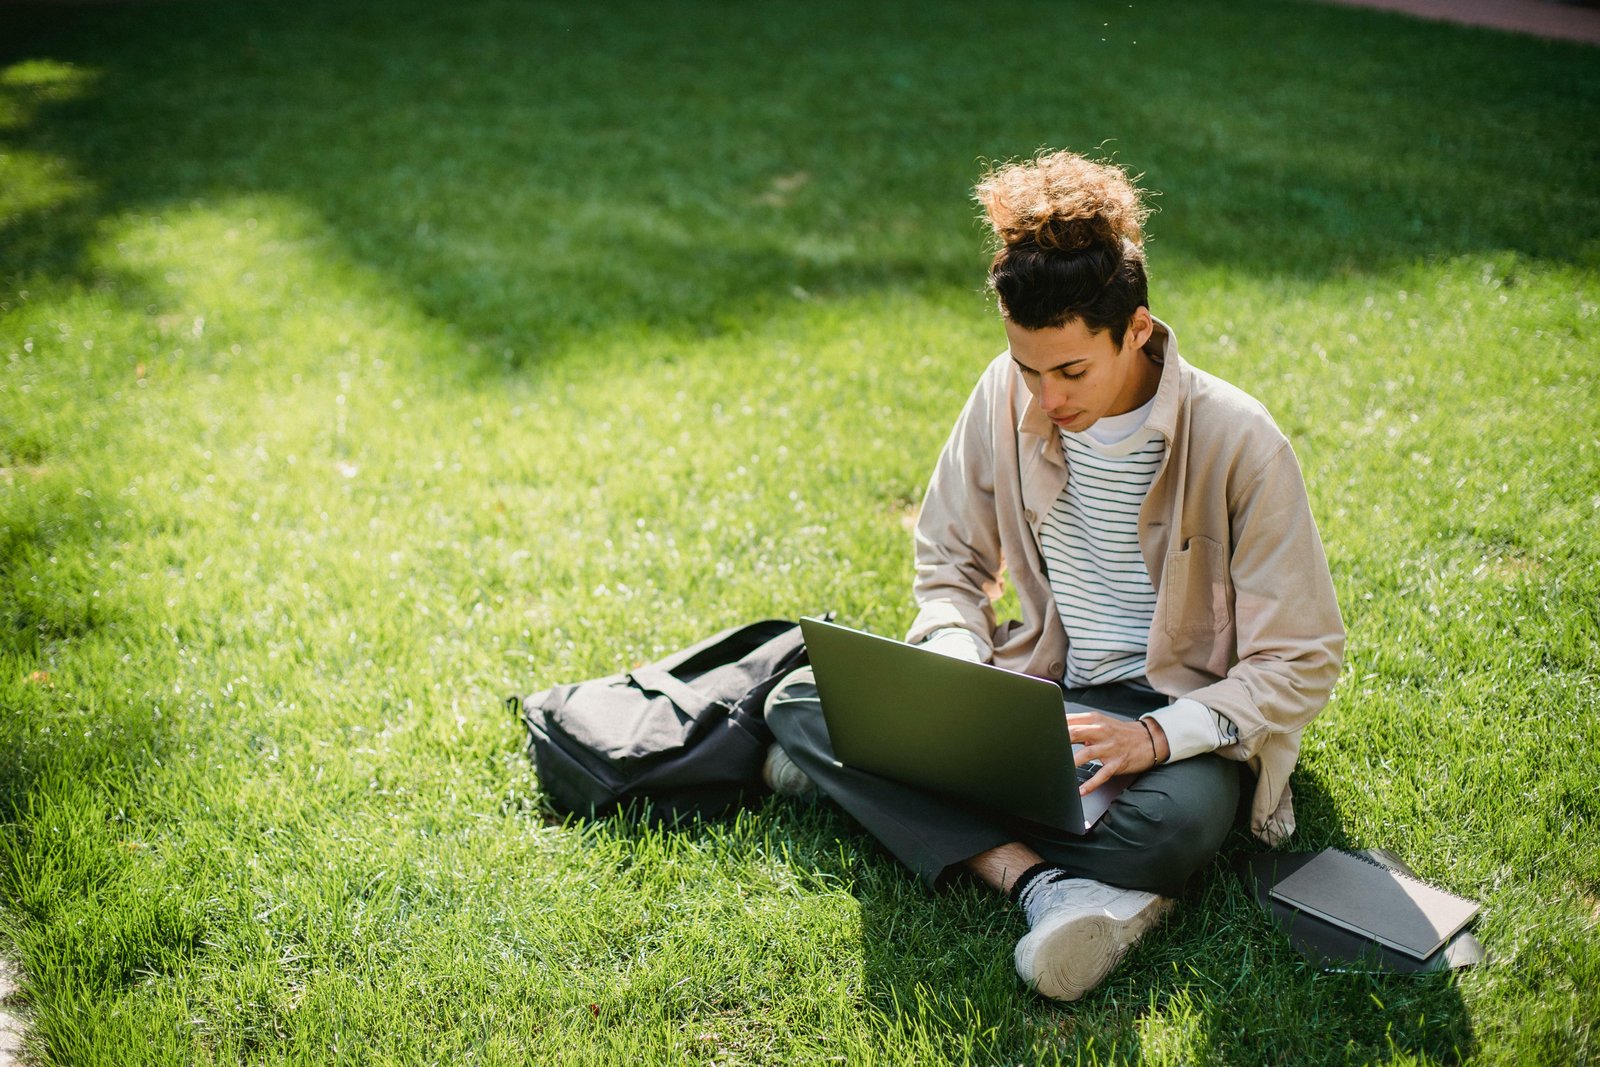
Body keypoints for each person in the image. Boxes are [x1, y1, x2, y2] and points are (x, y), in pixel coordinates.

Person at [761, 149, 1345, 1002]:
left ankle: (880, 791)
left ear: (1137, 330)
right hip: (1037, 690)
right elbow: (949, 559)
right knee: (800, 700)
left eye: (1070, 371)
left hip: (1172, 718)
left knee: (1173, 830)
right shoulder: (1004, 392)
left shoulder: (1240, 441)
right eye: (1027, 367)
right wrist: (959, 654)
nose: (1043, 399)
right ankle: (1045, 885)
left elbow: (1301, 658)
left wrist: (1153, 738)